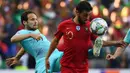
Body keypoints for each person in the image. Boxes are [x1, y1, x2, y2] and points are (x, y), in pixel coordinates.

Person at [45, 1, 123, 73]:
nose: (87, 18)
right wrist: (47, 57)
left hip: (83, 68)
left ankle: (93, 52)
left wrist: (115, 43)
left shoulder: (90, 26)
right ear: (77, 12)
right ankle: (93, 52)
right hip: (67, 66)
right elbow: (55, 41)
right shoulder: (64, 25)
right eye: (85, 15)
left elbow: (99, 42)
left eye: (89, 15)